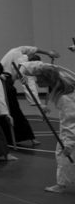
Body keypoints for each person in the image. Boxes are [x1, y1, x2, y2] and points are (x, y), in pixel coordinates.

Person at [17, 61, 75, 193]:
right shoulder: (57, 75)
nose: (36, 82)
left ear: (47, 79)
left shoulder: (65, 97)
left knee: (62, 151)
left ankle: (61, 184)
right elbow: (29, 67)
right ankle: (62, 182)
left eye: (39, 80)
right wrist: (23, 76)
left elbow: (70, 122)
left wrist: (69, 144)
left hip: (72, 121)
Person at [0, 60, 37, 148]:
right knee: (3, 120)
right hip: (1, 102)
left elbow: (16, 78)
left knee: (18, 118)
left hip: (11, 101)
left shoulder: (7, 77)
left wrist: (23, 79)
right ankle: (6, 139)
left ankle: (31, 138)